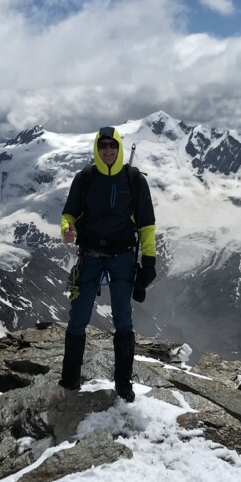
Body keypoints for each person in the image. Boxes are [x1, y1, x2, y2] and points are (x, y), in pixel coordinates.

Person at [58, 125, 156, 401]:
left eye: (112, 145)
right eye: (103, 146)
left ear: (119, 147)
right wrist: (66, 229)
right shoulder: (85, 179)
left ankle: (123, 385)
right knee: (78, 318)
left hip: (123, 257)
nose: (108, 150)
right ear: (97, 149)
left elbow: (147, 224)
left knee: (123, 319)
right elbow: (69, 215)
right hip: (90, 255)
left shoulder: (134, 180)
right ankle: (70, 381)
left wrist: (149, 260)